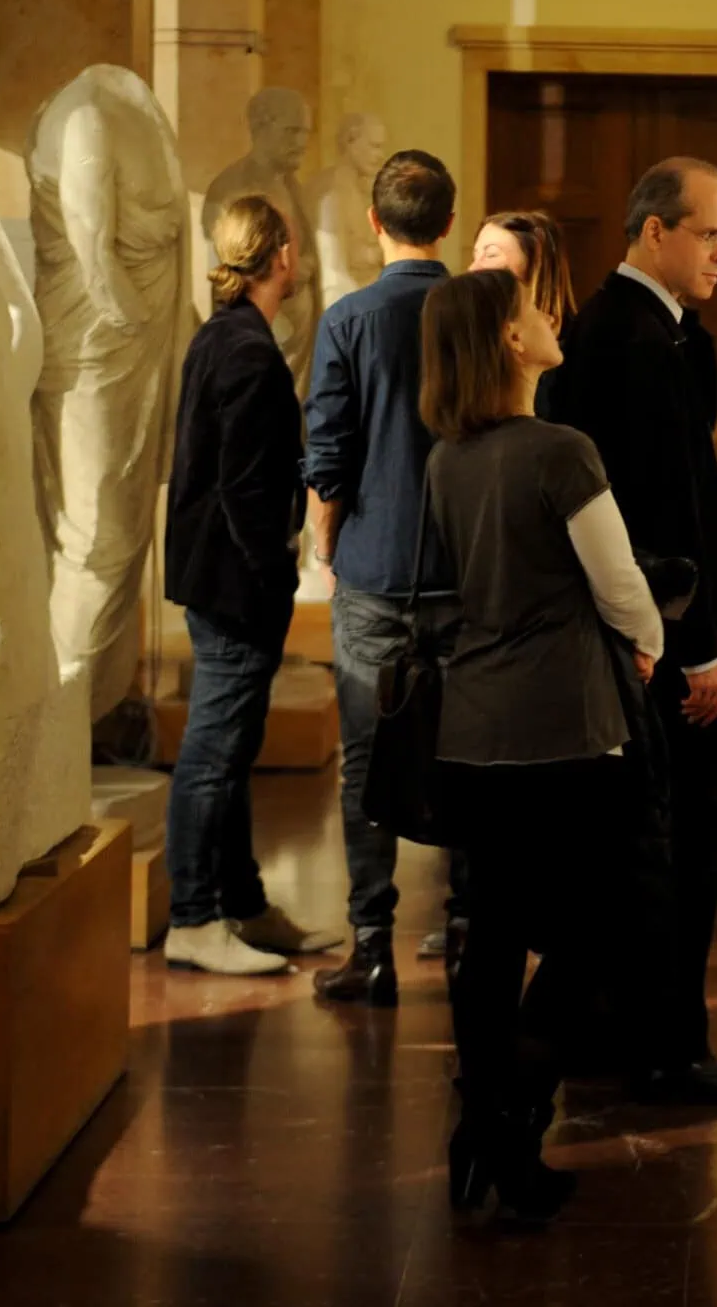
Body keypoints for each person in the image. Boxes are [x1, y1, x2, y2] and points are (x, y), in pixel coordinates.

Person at [419, 269, 667, 1222]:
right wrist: (650, 645)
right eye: (532, 310)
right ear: (510, 343)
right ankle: (511, 1110)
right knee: (603, 928)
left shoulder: (448, 460)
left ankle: (488, 1124)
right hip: (565, 723)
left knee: (494, 936)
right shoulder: (562, 450)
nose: (549, 316)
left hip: (472, 728)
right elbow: (620, 584)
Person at [542, 158, 717, 1105]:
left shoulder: (658, 332)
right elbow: (637, 515)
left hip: (673, 625)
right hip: (670, 645)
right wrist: (697, 647)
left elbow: (680, 496)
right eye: (709, 233)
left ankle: (624, 1029)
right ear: (653, 232)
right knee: (684, 840)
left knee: (659, 842)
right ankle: (667, 1046)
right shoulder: (629, 341)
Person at [160, 197, 343, 975]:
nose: (296, 259)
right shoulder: (245, 351)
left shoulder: (225, 335)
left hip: (222, 578)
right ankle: (195, 917)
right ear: (277, 256)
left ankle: (242, 904)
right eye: (292, 247)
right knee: (214, 751)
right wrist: (278, 564)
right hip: (235, 583)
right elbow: (240, 485)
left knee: (228, 751)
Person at [304, 149, 460, 1003]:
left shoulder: (348, 318)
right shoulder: (477, 312)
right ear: (446, 222)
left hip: (373, 566)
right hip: (468, 570)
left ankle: (372, 944)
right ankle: (469, 922)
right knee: (471, 752)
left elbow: (328, 452)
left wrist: (329, 544)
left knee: (367, 764)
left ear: (374, 223)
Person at [470, 210, 579, 329]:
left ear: (536, 263)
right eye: (475, 256)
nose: (472, 268)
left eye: (491, 254)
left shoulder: (580, 342)